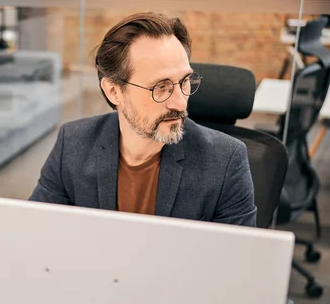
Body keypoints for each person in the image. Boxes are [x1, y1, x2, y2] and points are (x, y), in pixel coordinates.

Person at [29, 12, 256, 226]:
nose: (180, 103)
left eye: (185, 81)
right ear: (114, 92)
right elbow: (34, 232)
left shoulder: (226, 161)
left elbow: (239, 263)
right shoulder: (73, 143)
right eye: (161, 87)